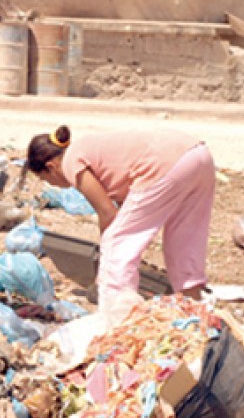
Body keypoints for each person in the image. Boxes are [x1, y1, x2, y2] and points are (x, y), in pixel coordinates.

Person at [25, 125, 215, 308]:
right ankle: (194, 307)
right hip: (197, 155)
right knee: (185, 238)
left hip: (164, 162)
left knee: (117, 243)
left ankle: (115, 311)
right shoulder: (87, 149)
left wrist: (104, 267)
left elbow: (108, 213)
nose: (52, 184)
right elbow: (126, 209)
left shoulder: (69, 162)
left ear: (51, 167)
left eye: (44, 178)